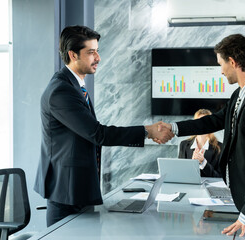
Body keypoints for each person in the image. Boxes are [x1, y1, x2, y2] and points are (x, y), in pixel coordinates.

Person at [34, 25, 173, 227]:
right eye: (91, 52)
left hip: (77, 189)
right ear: (73, 55)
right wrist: (146, 131)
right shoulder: (61, 91)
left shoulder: (74, 86)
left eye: (97, 51)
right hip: (66, 192)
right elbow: (97, 133)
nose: (98, 57)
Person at [158, 34, 245, 239]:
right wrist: (174, 128)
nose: (220, 71)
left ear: (232, 62)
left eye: (221, 64)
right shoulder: (242, 93)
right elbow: (214, 120)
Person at [178, 109, 223, 177]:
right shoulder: (184, 145)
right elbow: (180, 173)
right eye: (199, 122)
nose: (202, 126)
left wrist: (203, 163)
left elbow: (219, 177)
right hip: (189, 187)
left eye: (205, 122)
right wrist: (191, 164)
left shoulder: (220, 147)